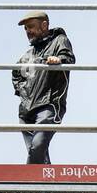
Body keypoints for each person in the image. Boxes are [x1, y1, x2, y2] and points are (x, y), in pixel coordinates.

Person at [12, 11, 74, 164]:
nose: (28, 32)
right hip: (26, 110)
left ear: (44, 25)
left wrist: (58, 60)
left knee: (37, 146)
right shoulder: (28, 54)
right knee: (39, 155)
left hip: (49, 104)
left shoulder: (59, 40)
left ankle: (28, 183)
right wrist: (23, 91)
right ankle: (45, 186)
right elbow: (16, 74)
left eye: (31, 27)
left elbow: (69, 59)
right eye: (26, 29)